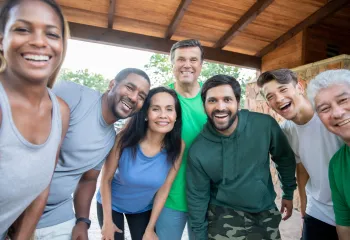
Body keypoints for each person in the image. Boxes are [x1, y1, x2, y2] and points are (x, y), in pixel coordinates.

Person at [35, 68, 151, 240]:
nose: (134, 98)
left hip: (57, 214)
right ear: (112, 85)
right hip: (16, 204)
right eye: (129, 87)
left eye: (141, 96)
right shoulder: (72, 94)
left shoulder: (110, 138)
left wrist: (82, 221)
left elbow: (88, 179)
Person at [187, 74, 297, 240]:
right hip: (221, 214)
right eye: (212, 101)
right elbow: (197, 196)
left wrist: (288, 192)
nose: (220, 107)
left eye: (227, 99)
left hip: (263, 211)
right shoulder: (198, 150)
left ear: (238, 103)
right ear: (204, 106)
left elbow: (284, 158)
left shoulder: (264, 125)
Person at [0, 0, 70, 239]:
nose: (39, 41)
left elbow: (41, 188)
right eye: (22, 29)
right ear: (1, 40)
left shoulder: (60, 111)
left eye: (51, 34)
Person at [257, 69, 342, 240]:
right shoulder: (285, 132)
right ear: (268, 104)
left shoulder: (331, 113)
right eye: (270, 96)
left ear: (300, 87)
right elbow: (301, 167)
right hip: (319, 210)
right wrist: (304, 206)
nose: (279, 99)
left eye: (283, 89)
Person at [97, 87, 184, 240]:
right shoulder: (123, 140)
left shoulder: (178, 146)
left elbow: (164, 189)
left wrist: (150, 229)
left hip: (142, 208)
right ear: (145, 114)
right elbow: (106, 180)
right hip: (111, 204)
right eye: (156, 109)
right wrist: (107, 221)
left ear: (176, 115)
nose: (163, 115)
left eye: (169, 109)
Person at [155, 39, 207, 240]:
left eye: (193, 59)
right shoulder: (161, 99)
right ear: (172, 64)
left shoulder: (212, 99)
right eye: (181, 59)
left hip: (205, 198)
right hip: (168, 198)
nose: (187, 64)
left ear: (201, 65)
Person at [307, 69, 350, 240]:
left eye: (344, 100)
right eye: (325, 109)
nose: (337, 113)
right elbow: (344, 223)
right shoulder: (337, 165)